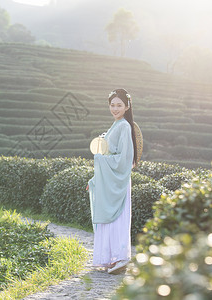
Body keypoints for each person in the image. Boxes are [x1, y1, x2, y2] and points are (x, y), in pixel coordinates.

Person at [86, 88, 138, 274]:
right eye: (112, 105)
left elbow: (124, 158)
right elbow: (109, 153)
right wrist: (95, 179)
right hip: (109, 180)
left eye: (119, 105)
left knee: (117, 218)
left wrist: (99, 159)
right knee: (110, 220)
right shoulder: (115, 125)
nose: (115, 109)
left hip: (118, 180)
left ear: (127, 106)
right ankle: (110, 259)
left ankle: (120, 258)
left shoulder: (124, 126)